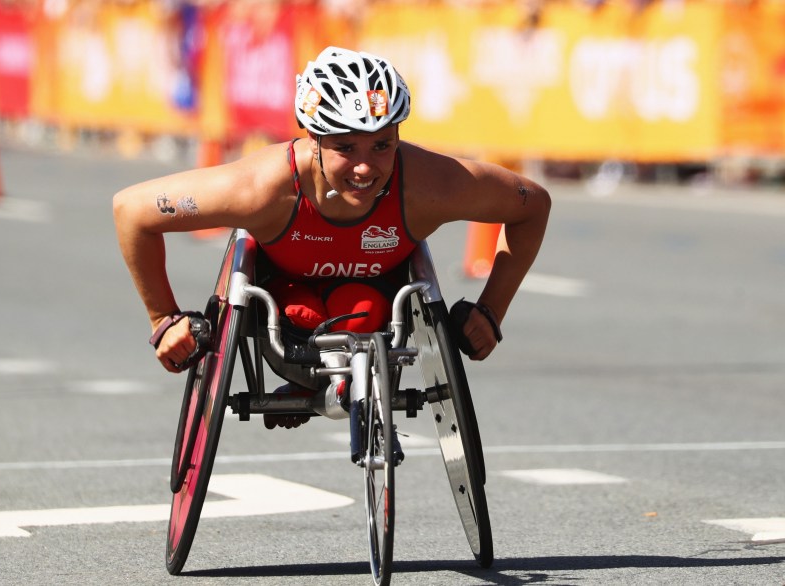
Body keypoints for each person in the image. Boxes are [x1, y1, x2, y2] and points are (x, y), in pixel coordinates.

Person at [114, 46, 550, 426]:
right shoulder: (261, 189)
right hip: (281, 310)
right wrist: (164, 319)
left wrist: (492, 311)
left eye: (382, 145)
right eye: (345, 148)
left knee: (359, 308)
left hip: (376, 305)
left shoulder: (430, 184)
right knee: (303, 311)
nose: (365, 167)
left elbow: (533, 205)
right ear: (313, 139)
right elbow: (133, 211)